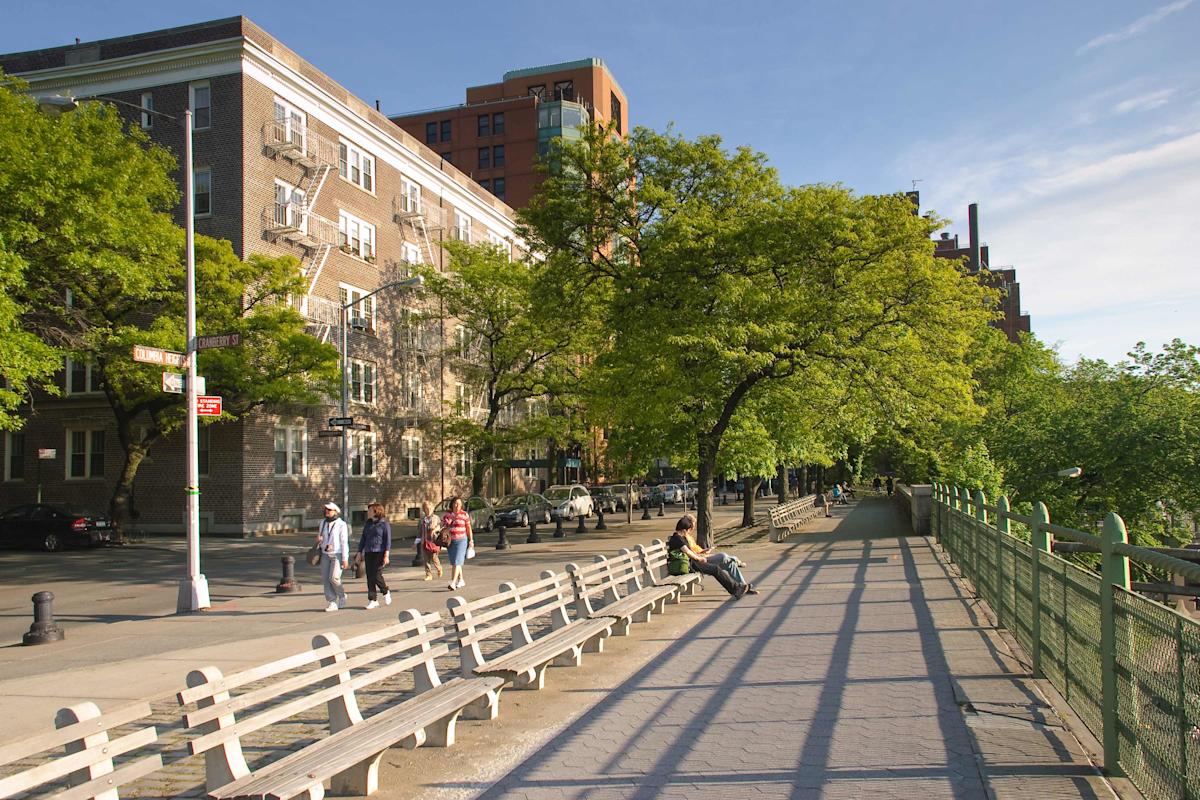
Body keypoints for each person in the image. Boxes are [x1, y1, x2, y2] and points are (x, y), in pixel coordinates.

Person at [667, 516, 754, 598]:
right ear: (685, 530)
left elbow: (690, 552)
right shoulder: (677, 538)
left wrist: (701, 554)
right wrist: (700, 558)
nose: (689, 532)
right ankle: (736, 589)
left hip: (690, 563)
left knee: (716, 568)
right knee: (715, 569)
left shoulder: (680, 537)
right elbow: (688, 552)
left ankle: (737, 588)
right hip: (688, 565)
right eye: (689, 530)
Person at [680, 525, 752, 586]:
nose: (693, 527)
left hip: (703, 555)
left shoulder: (689, 537)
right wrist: (701, 556)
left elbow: (697, 549)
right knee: (723, 556)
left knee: (731, 564)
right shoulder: (683, 539)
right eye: (692, 525)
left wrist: (705, 550)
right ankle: (736, 560)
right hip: (700, 560)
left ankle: (743, 586)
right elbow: (692, 554)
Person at [356, 502, 392, 609]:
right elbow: (363, 538)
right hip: (369, 551)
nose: (368, 512)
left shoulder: (384, 524)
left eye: (370, 510)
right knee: (370, 576)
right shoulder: (368, 524)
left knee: (376, 574)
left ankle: (385, 591)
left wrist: (386, 554)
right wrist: (359, 552)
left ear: (376, 511)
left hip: (379, 552)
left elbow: (388, 540)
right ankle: (373, 599)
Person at [316, 501, 349, 612]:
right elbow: (321, 538)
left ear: (336, 512)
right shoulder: (323, 523)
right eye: (326, 509)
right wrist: (319, 541)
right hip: (325, 554)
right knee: (326, 579)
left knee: (334, 578)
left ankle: (342, 594)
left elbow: (344, 542)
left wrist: (345, 559)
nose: (327, 511)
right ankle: (332, 602)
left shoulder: (341, 524)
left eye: (329, 510)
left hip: (337, 554)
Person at [442, 496, 474, 590]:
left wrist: (471, 540)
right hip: (450, 541)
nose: (457, 506)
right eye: (455, 503)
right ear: (452, 504)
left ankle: (453, 582)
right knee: (455, 562)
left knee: (457, 561)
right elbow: (443, 527)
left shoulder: (464, 515)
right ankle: (461, 580)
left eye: (459, 504)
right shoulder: (447, 515)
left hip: (461, 540)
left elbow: (468, 528)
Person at [418, 500, 444, 582]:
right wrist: (416, 543)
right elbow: (419, 532)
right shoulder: (422, 520)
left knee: (434, 557)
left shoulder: (436, 518)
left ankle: (439, 568)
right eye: (426, 509)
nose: (428, 511)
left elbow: (440, 527)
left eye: (430, 509)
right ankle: (428, 574)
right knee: (426, 560)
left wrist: (435, 529)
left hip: (434, 542)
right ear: (424, 510)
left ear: (433, 509)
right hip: (424, 542)